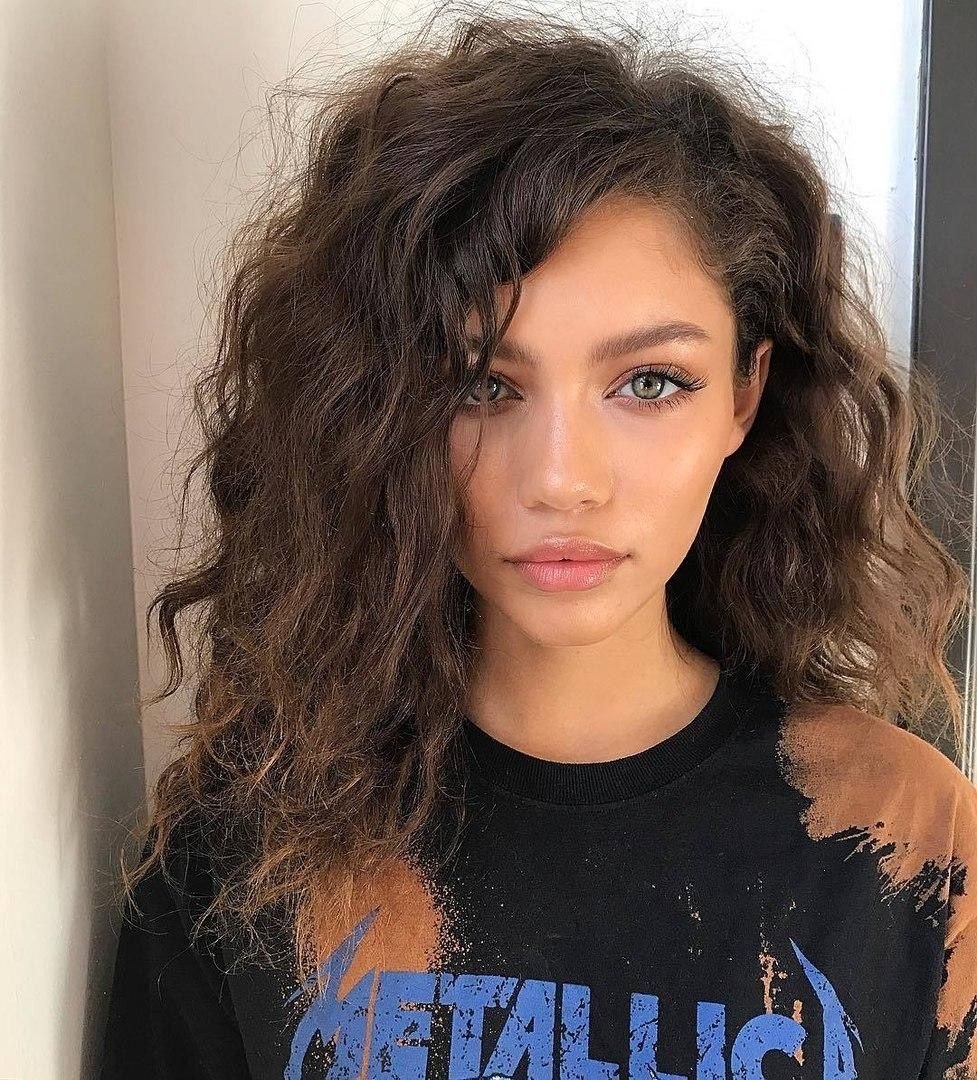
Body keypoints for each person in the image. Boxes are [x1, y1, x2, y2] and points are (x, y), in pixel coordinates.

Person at [98, 8, 977, 1079]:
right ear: (379, 412)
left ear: (744, 394)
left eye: (649, 382)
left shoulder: (903, 840)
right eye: (480, 385)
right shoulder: (248, 847)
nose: (561, 478)